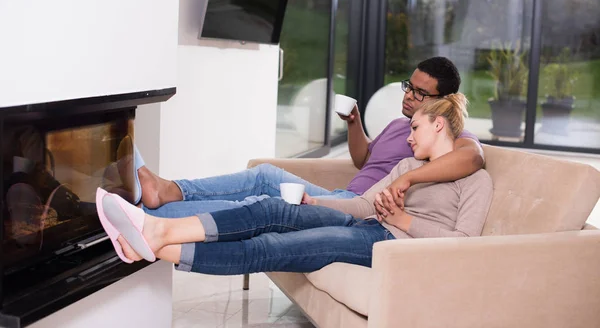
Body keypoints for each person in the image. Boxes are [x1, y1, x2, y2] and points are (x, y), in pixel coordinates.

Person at [97, 93, 493, 274]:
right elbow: (360, 206)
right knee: (273, 208)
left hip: (390, 245)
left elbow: (463, 242)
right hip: (365, 223)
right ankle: (158, 228)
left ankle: (156, 242)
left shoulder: (475, 179)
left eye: (416, 127)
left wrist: (404, 222)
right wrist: (313, 204)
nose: (409, 136)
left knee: (272, 247)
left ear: (439, 124)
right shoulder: (407, 163)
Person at [133, 56, 484, 219]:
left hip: (360, 206)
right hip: (343, 197)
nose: (408, 95)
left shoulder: (448, 137)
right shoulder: (400, 125)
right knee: (262, 190)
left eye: (421, 93)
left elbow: (474, 158)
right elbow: (364, 161)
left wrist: (408, 177)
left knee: (265, 179)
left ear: (442, 102)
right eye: (409, 86)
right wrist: (354, 123)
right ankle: (163, 207)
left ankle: (169, 197)